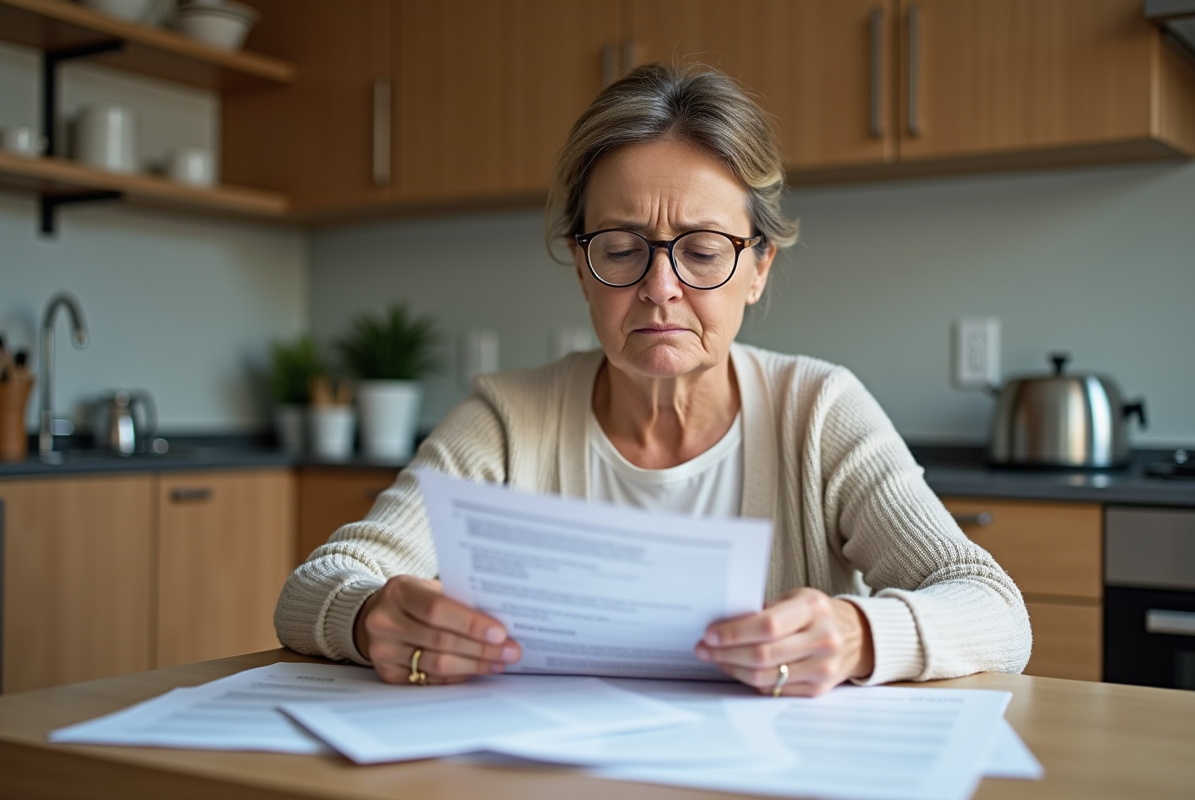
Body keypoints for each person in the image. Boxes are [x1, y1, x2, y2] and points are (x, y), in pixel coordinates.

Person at [275, 62, 1031, 697]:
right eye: (620, 247)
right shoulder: (507, 420)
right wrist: (368, 615)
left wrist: (859, 633)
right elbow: (316, 585)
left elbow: (995, 609)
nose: (660, 288)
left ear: (758, 268)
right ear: (582, 266)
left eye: (701, 251)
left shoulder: (819, 411)